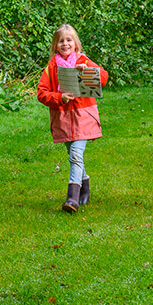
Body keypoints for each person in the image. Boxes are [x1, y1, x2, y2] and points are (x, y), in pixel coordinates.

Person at [36, 24, 110, 213]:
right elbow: (41, 93)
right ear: (55, 45)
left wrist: (86, 71)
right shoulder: (52, 66)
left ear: (75, 43)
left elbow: (103, 77)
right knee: (73, 155)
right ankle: (85, 188)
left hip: (83, 115)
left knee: (76, 155)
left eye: (69, 40)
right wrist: (59, 97)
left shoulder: (83, 60)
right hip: (62, 118)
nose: (65, 43)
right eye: (61, 41)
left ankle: (72, 198)